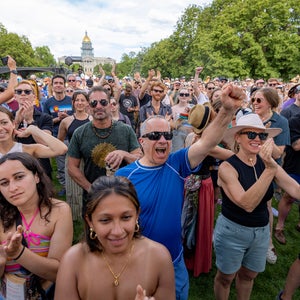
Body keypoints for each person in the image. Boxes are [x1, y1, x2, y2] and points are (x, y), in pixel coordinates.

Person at [116, 83, 245, 300]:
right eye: (155, 135)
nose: (163, 141)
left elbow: (207, 143)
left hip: (174, 261)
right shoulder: (124, 176)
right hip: (137, 262)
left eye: (167, 136)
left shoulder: (176, 164)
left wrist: (227, 110)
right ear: (141, 141)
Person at [214, 113, 300, 300]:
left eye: (262, 135)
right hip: (232, 232)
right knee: (226, 277)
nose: (257, 139)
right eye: (251, 135)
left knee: (249, 275)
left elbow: (295, 188)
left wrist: (270, 167)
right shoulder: (227, 168)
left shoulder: (267, 163)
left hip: (261, 232)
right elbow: (247, 204)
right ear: (237, 137)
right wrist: (270, 170)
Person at [54, 176, 175, 300]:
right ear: (90, 221)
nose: (117, 231)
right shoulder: (73, 261)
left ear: (137, 215)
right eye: (105, 220)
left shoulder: (159, 258)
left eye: (126, 217)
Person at [0, 152, 73, 299]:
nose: (12, 188)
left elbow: (57, 273)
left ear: (36, 176)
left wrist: (19, 253)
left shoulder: (58, 211)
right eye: (4, 183)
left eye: (19, 177)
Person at [67, 86, 143, 215]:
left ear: (110, 105)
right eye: (93, 103)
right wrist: (90, 188)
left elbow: (140, 160)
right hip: (93, 198)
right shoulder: (80, 133)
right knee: (92, 233)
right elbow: (72, 167)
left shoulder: (125, 130)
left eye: (103, 102)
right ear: (88, 107)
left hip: (123, 194)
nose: (98, 106)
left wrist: (123, 154)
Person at [251, 87, 290, 264]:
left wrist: (265, 135)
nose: (254, 103)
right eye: (253, 99)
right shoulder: (249, 118)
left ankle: (267, 244)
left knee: (265, 207)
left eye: (259, 100)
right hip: (248, 166)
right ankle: (247, 241)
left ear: (270, 103)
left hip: (267, 170)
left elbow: (278, 154)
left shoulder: (280, 121)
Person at [57, 90, 92, 220]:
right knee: (73, 188)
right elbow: (59, 141)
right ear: (73, 103)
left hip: (89, 159)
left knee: (89, 186)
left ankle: (91, 212)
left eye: (83, 100)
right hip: (73, 158)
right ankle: (75, 217)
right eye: (77, 100)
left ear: (87, 102)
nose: (80, 103)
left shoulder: (92, 120)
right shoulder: (66, 121)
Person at [14, 80, 54, 179]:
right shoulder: (8, 116)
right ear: (15, 96)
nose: (23, 94)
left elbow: (45, 142)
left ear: (34, 97)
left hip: (40, 165)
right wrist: (16, 123)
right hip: (15, 164)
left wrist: (31, 121)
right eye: (19, 92)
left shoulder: (45, 117)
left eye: (27, 92)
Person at [43, 75, 73, 195]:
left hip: (71, 137)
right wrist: (57, 119)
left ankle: (74, 185)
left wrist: (67, 118)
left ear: (64, 85)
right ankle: (65, 186)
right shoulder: (48, 102)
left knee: (73, 163)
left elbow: (78, 118)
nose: (58, 85)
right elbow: (45, 120)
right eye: (56, 83)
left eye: (61, 83)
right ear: (52, 85)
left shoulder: (71, 100)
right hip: (57, 138)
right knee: (61, 166)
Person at [0, 106, 67, 159]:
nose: (0, 128)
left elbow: (61, 149)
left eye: (4, 122)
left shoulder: (25, 149)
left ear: (13, 124)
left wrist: (33, 129)